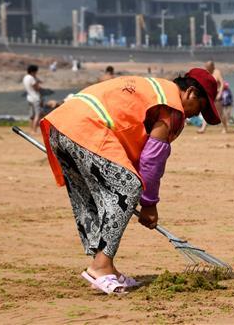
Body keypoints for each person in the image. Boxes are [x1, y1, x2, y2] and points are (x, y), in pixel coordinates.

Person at [40, 68, 220, 295]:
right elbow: (152, 161)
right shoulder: (172, 110)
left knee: (96, 197)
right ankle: (100, 266)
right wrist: (149, 203)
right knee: (129, 186)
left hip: (61, 125)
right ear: (191, 93)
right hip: (86, 127)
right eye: (201, 107)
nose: (196, 115)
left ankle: (104, 264)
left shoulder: (158, 89)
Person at [198, 61, 225, 134]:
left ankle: (225, 127)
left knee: (220, 114)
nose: (207, 69)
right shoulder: (206, 73)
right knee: (206, 111)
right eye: (206, 67)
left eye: (208, 67)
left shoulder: (217, 72)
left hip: (217, 95)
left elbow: (222, 84)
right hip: (210, 95)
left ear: (212, 67)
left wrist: (220, 94)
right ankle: (203, 128)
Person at [23, 65, 43, 133]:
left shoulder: (25, 77)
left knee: (31, 115)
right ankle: (34, 130)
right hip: (35, 98)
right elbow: (37, 87)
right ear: (33, 71)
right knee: (37, 115)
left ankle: (31, 130)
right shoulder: (32, 78)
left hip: (29, 97)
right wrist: (39, 85)